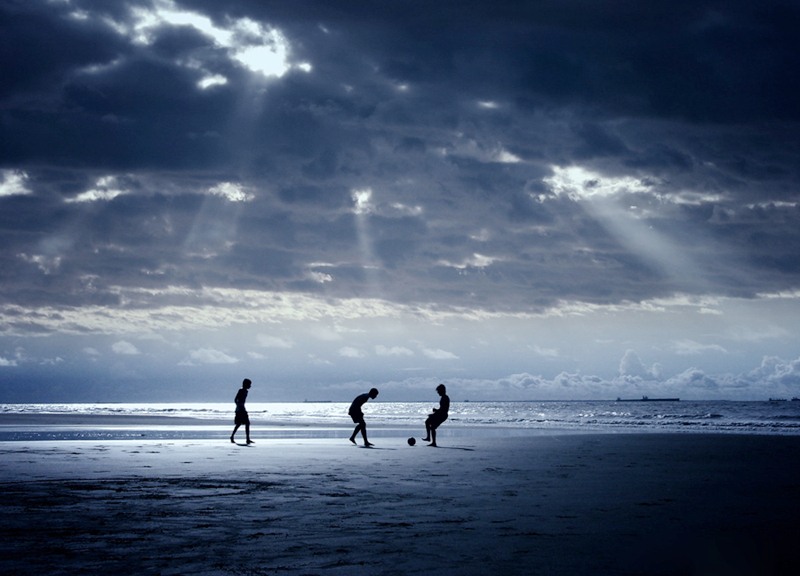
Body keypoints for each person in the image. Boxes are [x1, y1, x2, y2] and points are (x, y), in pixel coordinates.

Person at [230, 378, 253, 444]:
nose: (250, 386)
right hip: (240, 409)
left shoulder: (245, 391)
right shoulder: (241, 390)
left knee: (243, 423)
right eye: (249, 384)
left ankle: (247, 438)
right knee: (243, 423)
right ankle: (245, 438)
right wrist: (239, 406)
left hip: (242, 408)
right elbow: (235, 399)